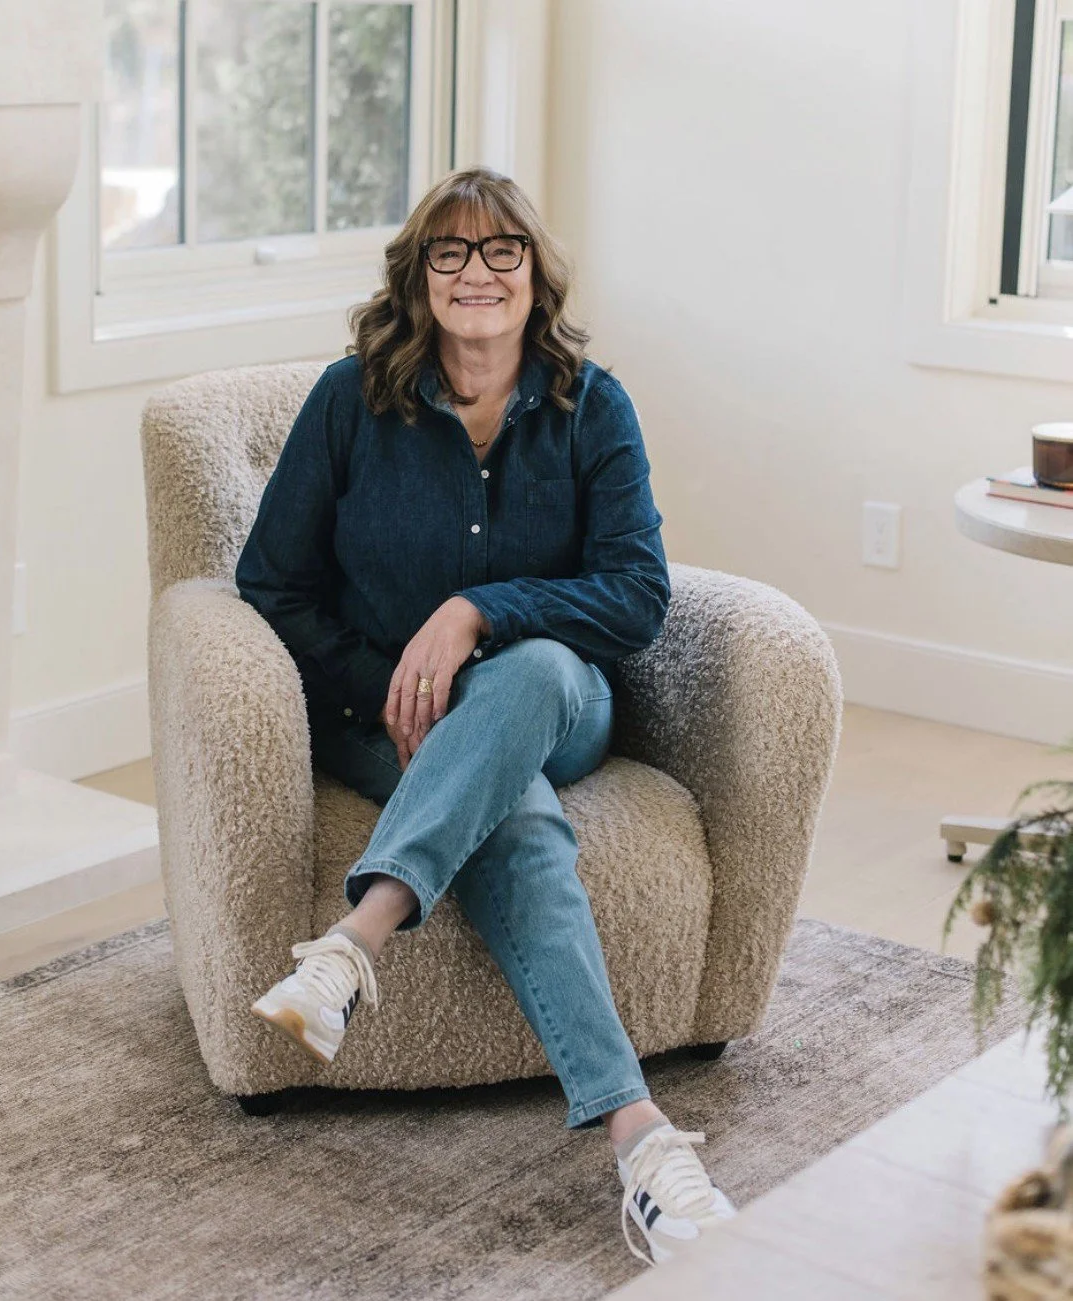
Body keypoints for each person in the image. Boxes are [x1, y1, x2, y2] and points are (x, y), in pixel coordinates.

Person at [234, 165, 736, 1266]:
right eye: (450, 253)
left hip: (559, 704)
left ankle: (352, 945)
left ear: (534, 274)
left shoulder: (592, 405)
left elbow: (638, 591)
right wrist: (393, 687)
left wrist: (475, 612)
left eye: (501, 250)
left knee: (538, 666)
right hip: (384, 719)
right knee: (519, 823)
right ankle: (643, 1141)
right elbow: (271, 587)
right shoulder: (348, 402)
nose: (477, 273)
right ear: (418, 279)